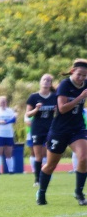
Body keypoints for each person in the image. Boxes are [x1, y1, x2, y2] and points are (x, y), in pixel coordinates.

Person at [37, 59, 87, 206]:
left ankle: (79, 193)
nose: (82, 78)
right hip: (59, 130)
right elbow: (62, 108)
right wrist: (80, 98)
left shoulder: (85, 83)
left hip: (77, 128)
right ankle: (41, 192)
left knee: (84, 157)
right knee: (51, 165)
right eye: (79, 75)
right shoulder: (65, 85)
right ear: (73, 72)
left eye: (85, 76)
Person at [25, 74, 56, 186]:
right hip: (37, 129)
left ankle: (48, 173)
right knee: (38, 155)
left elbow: (60, 112)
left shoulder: (54, 97)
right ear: (40, 82)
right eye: (44, 80)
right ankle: (37, 179)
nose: (46, 82)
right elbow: (28, 114)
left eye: (48, 80)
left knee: (50, 153)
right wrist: (36, 109)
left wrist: (57, 110)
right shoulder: (33, 97)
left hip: (51, 128)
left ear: (51, 83)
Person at [0, 96, 17, 174]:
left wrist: (13, 119)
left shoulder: (10, 111)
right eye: (1, 102)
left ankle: (11, 170)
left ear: (6, 102)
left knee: (9, 153)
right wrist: (0, 122)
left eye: (4, 102)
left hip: (9, 134)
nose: (3, 103)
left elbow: (14, 121)